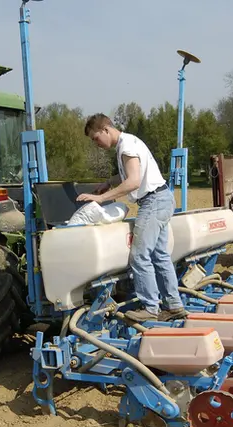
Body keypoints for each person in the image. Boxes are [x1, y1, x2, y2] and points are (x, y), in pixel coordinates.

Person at [78, 113, 187, 323]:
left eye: (95, 138)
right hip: (162, 198)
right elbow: (129, 174)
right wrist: (109, 182)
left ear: (106, 129)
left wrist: (100, 198)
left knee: (139, 256)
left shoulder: (126, 146)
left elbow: (133, 181)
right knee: (160, 255)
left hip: (153, 202)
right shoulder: (128, 142)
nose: (96, 143)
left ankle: (150, 308)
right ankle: (174, 305)